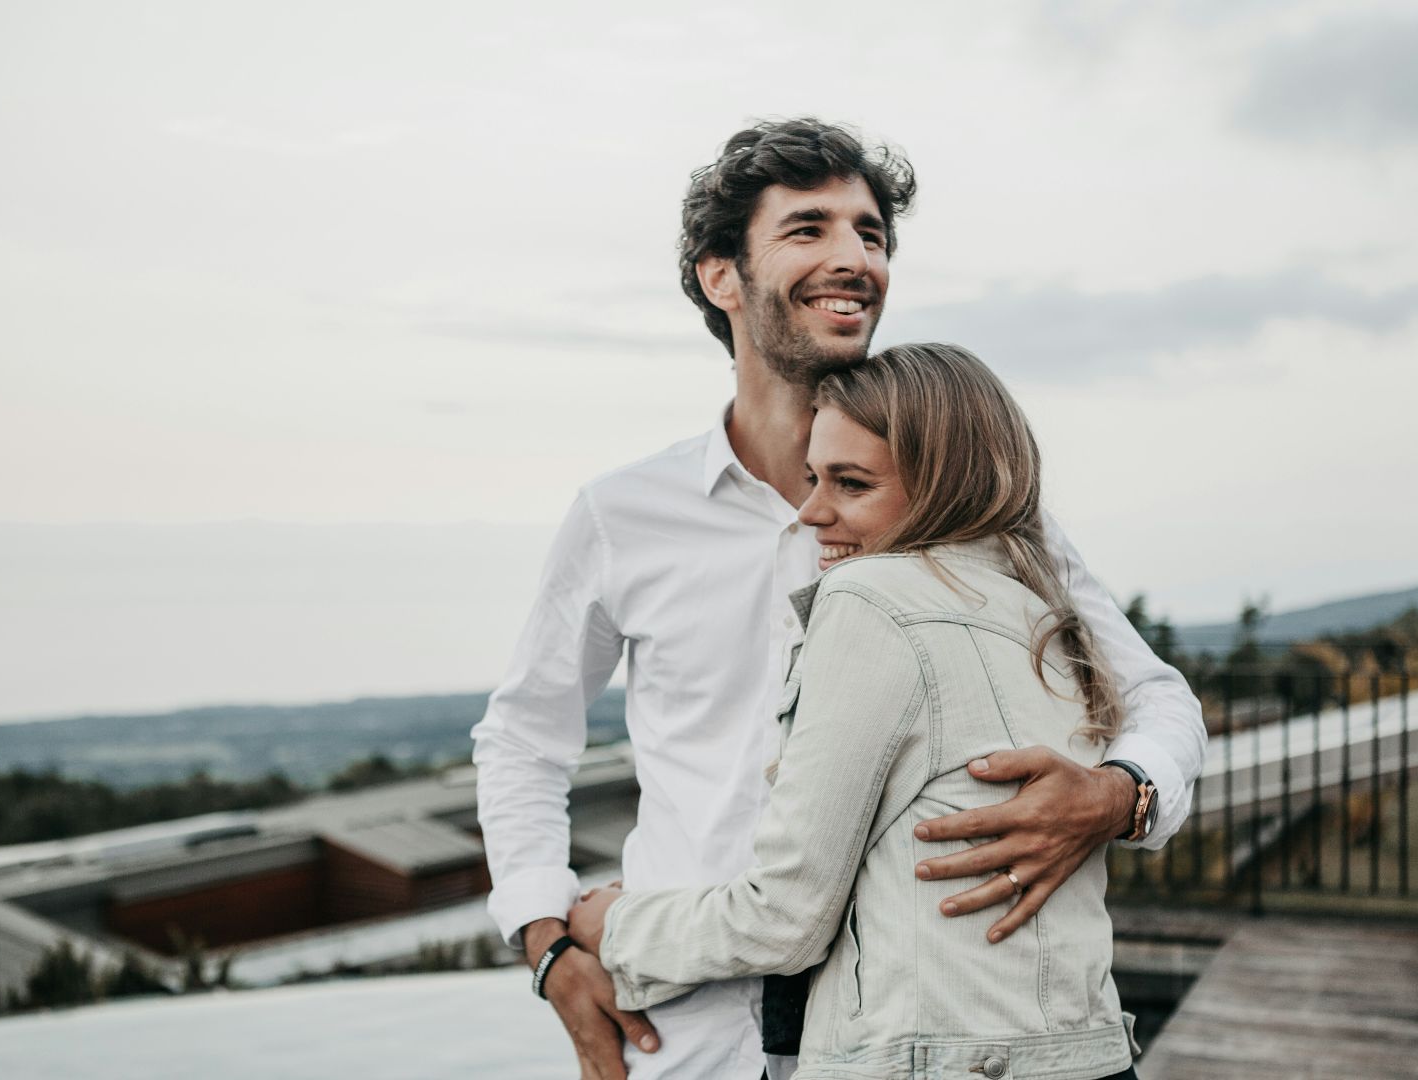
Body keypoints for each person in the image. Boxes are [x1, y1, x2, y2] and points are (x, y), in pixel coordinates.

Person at [471, 118, 1204, 1080]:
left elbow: (1157, 696)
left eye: (871, 234)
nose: (854, 258)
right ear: (720, 276)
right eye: (809, 229)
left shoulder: (973, 509)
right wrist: (546, 941)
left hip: (904, 1032)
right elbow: (524, 736)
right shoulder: (621, 515)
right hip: (687, 1027)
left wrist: (1119, 796)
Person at [567, 342, 1143, 1080]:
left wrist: (612, 926)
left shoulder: (869, 600)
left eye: (851, 483)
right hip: (1086, 1054)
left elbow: (786, 918)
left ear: (944, 485)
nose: (811, 512)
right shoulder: (1046, 616)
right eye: (813, 477)